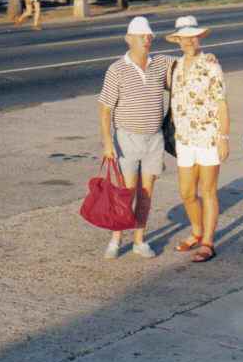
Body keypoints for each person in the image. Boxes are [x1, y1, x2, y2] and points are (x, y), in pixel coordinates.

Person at [98, 16, 172, 259]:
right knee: (126, 192)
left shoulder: (160, 63)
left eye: (149, 36)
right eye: (141, 36)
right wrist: (108, 143)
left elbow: (186, 64)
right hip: (127, 139)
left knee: (146, 193)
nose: (147, 39)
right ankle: (116, 239)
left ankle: (140, 240)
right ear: (129, 39)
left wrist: (207, 58)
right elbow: (105, 109)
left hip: (154, 138)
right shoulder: (117, 69)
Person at [165, 15, 229, 263]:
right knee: (187, 193)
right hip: (184, 139)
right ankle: (196, 230)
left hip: (208, 137)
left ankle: (207, 242)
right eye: (184, 38)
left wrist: (223, 136)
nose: (189, 42)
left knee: (208, 191)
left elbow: (222, 104)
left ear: (199, 38)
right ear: (178, 41)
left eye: (193, 37)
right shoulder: (174, 67)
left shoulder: (211, 65)